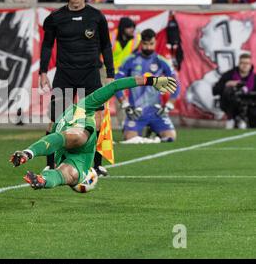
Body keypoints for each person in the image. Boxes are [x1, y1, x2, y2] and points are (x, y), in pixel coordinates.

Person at [10, 76, 178, 190]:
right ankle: (41, 176)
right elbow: (115, 86)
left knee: (70, 152)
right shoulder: (80, 107)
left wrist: (152, 80)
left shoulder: (62, 120)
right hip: (78, 154)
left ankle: (33, 162)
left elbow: (115, 85)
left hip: (77, 145)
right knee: (69, 172)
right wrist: (152, 80)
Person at [39, 0, 115, 177]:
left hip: (90, 74)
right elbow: (47, 46)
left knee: (96, 121)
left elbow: (106, 46)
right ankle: (51, 164)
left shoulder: (96, 17)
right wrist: (43, 72)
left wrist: (110, 73)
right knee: (55, 120)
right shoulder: (55, 18)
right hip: (64, 75)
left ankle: (95, 165)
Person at [115, 29, 180, 142]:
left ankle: (152, 131)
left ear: (155, 43)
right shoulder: (130, 60)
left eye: (151, 44)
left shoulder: (161, 61)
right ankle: (150, 135)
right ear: (141, 43)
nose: (148, 47)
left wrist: (169, 105)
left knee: (171, 137)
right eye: (145, 44)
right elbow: (116, 83)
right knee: (129, 138)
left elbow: (175, 83)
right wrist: (125, 105)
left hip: (156, 111)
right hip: (136, 111)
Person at [212, 53, 256, 129]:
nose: (245, 65)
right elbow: (215, 90)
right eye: (242, 63)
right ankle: (231, 119)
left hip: (250, 105)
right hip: (231, 105)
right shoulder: (229, 75)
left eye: (247, 63)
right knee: (230, 90)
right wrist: (227, 84)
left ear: (250, 65)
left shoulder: (254, 78)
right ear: (238, 64)